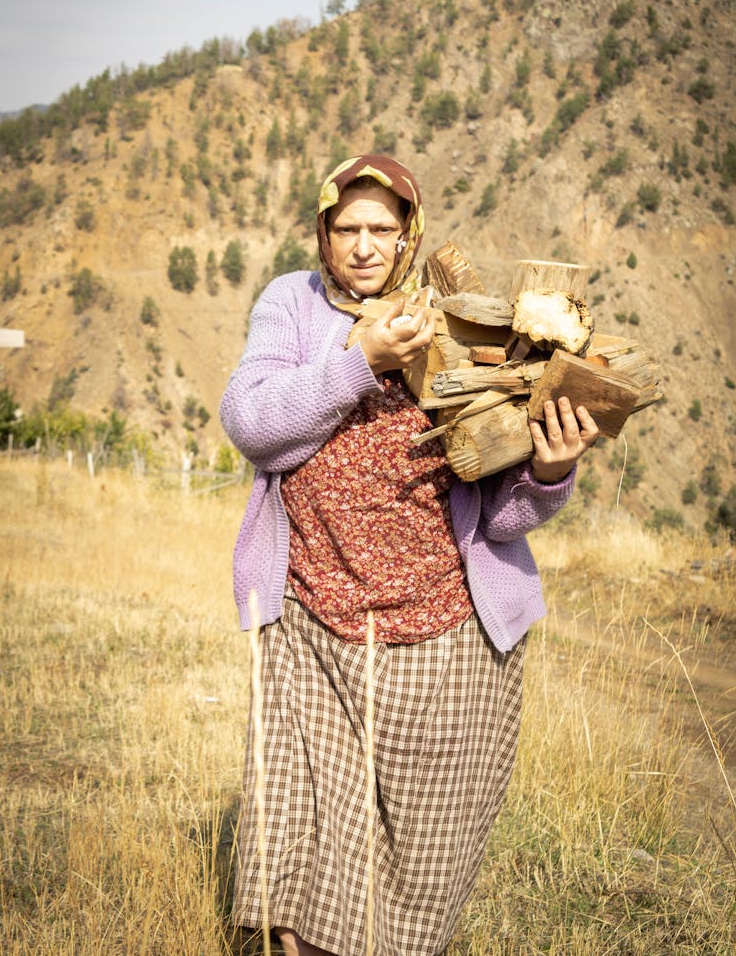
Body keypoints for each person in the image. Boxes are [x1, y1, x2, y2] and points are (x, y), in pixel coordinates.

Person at [220, 154, 599, 956]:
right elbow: (252, 422)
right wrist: (361, 363)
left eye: (382, 229)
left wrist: (550, 469)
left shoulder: (459, 325)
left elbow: (502, 515)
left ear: (408, 238)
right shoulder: (291, 305)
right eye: (347, 227)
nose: (363, 245)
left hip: (444, 635)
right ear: (322, 235)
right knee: (299, 850)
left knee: (414, 867)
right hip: (313, 626)